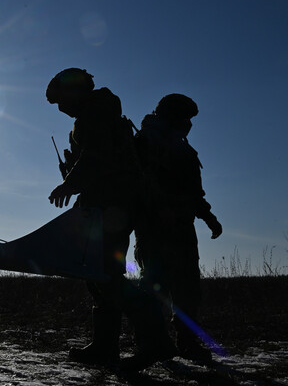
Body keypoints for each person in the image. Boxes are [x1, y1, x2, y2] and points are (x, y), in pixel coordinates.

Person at [46, 68, 176, 370]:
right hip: (105, 204)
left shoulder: (97, 111)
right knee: (98, 276)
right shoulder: (92, 116)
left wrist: (70, 183)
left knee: (105, 275)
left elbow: (96, 157)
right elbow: (95, 161)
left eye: (61, 101)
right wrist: (73, 176)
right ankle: (106, 346)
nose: (61, 109)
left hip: (114, 206)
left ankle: (155, 340)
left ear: (75, 92)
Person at [134, 94, 222, 362]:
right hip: (155, 229)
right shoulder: (146, 142)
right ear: (173, 116)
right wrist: (160, 210)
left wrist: (207, 217)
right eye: (186, 118)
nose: (189, 124)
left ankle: (186, 342)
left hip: (181, 228)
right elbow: (139, 183)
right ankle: (152, 345)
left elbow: (193, 192)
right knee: (154, 287)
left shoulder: (180, 146)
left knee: (187, 289)